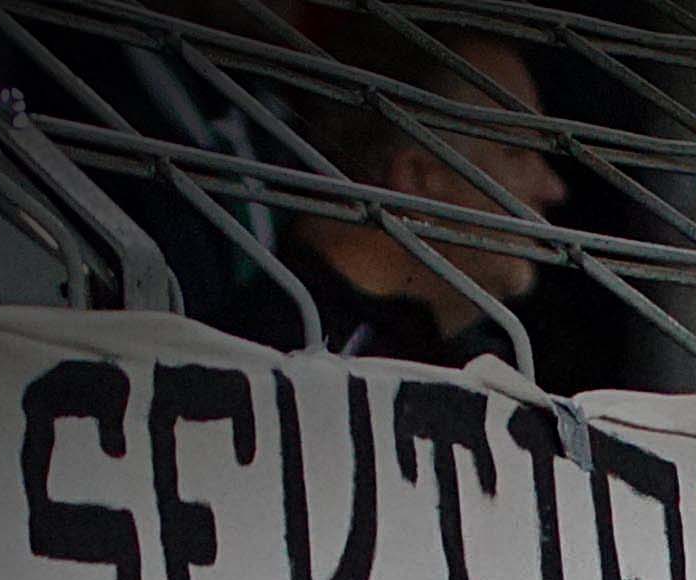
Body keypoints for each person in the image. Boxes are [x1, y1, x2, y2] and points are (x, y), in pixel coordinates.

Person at [235, 11, 570, 368]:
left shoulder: (445, 360)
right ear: (418, 176)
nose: (554, 189)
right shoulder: (286, 366)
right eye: (516, 151)